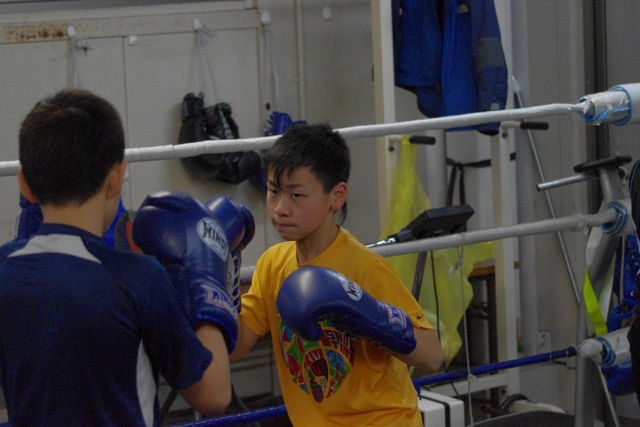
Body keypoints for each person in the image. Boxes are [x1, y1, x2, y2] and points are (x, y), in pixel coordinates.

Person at [0, 89, 250, 426]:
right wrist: (206, 279)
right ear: (117, 177)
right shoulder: (136, 277)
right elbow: (214, 394)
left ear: (24, 184)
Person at [231, 123, 444, 426]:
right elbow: (236, 346)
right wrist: (220, 275)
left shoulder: (364, 267)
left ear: (336, 196)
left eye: (297, 195)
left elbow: (432, 356)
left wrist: (373, 318)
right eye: (273, 191)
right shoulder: (272, 265)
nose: (280, 208)